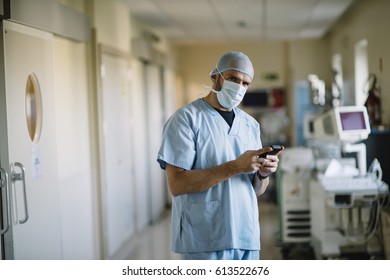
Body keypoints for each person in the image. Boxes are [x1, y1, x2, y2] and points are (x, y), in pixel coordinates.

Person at [157, 51, 283, 260]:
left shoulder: (250, 125)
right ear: (215, 77)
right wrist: (235, 167)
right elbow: (177, 184)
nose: (239, 87)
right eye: (234, 78)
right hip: (204, 237)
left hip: (245, 234)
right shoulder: (186, 119)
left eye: (245, 83)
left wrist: (263, 174)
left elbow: (256, 190)